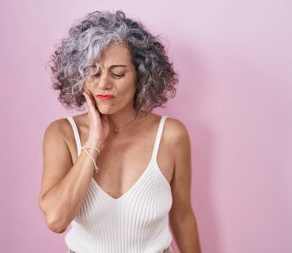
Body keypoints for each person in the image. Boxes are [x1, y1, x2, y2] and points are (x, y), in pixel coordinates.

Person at [38, 10, 202, 253]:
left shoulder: (171, 135)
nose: (103, 83)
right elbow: (56, 219)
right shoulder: (61, 134)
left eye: (118, 73)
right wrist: (94, 141)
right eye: (93, 72)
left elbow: (182, 216)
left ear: (141, 76)